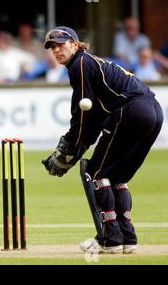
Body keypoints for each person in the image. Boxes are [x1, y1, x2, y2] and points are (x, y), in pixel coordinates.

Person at [41, 27, 163, 254]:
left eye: (61, 44)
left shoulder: (79, 64)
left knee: (95, 172)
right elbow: (95, 117)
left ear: (75, 45)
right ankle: (127, 239)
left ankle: (110, 240)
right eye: (52, 47)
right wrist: (79, 145)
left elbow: (83, 114)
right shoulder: (89, 63)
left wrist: (72, 147)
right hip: (153, 112)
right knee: (117, 175)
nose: (57, 50)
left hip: (132, 110)